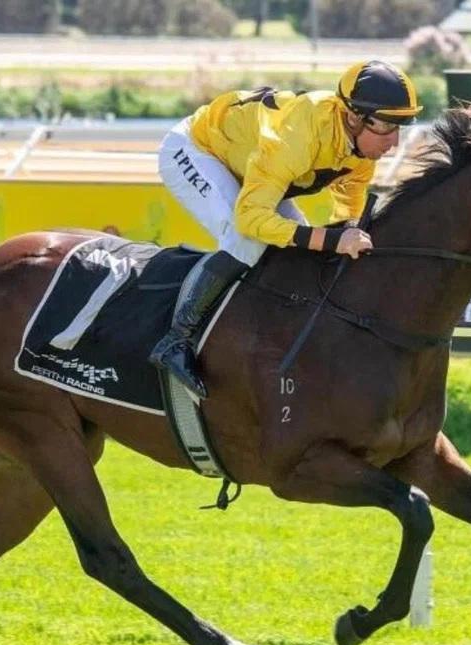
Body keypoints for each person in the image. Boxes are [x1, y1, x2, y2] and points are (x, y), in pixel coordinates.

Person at [150, 60, 423, 398]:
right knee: (247, 240)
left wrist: (350, 235)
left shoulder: (360, 151)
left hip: (251, 163)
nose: (393, 143)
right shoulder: (298, 136)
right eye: (386, 126)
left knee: (301, 240)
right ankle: (176, 338)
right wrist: (332, 240)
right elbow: (250, 218)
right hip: (197, 150)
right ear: (354, 117)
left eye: (401, 128)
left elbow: (347, 208)